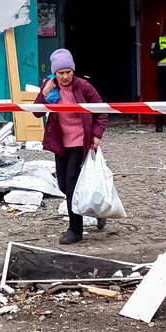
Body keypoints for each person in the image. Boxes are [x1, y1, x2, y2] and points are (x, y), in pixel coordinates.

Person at [33, 49, 108, 245]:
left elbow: (101, 111)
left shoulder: (84, 87)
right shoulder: (49, 87)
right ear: (54, 74)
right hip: (60, 142)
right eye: (60, 73)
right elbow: (36, 113)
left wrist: (96, 135)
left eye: (68, 72)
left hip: (80, 142)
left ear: (73, 71)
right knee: (64, 186)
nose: (65, 77)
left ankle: (75, 230)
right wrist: (45, 92)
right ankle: (97, 210)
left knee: (73, 185)